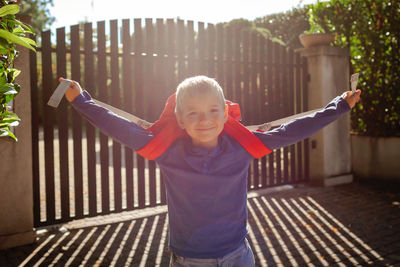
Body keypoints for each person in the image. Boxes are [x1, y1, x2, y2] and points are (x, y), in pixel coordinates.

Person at [65, 75, 361, 267]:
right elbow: (119, 127)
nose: (204, 119)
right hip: (188, 260)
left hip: (238, 256)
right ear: (179, 119)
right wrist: (81, 100)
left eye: (212, 110)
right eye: (192, 112)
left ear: (225, 113)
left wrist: (339, 107)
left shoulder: (244, 145)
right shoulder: (166, 151)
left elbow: (293, 130)